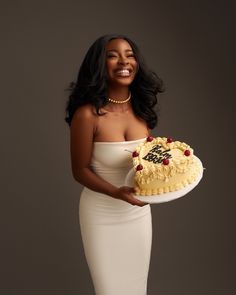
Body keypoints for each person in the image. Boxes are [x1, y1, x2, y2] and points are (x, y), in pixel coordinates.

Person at [65, 34, 164, 295]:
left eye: (130, 54)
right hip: (102, 214)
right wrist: (116, 193)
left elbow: (145, 162)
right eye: (112, 55)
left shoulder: (141, 110)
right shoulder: (87, 115)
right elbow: (80, 170)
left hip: (138, 215)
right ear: (99, 64)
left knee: (136, 288)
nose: (124, 61)